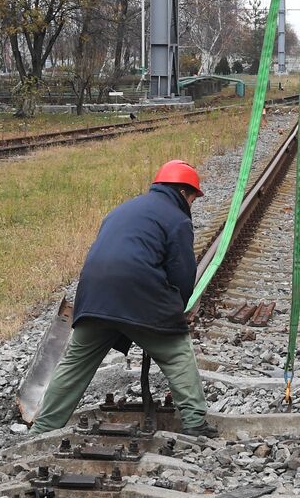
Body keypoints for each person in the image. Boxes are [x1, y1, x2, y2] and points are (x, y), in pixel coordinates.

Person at [28, 160, 218, 438]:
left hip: (93, 297)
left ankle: (43, 429)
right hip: (138, 295)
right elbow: (183, 273)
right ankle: (195, 422)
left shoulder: (121, 210)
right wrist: (177, 311)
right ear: (182, 192)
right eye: (192, 197)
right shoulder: (178, 219)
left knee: (73, 366)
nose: (192, 203)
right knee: (177, 352)